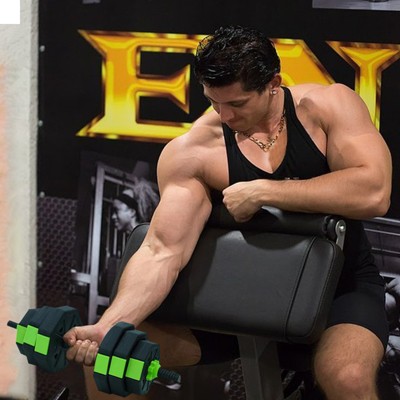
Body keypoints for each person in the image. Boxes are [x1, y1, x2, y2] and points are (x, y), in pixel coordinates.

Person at [64, 25, 392, 399]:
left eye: (237, 104)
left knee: (348, 378)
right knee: (109, 358)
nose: (224, 115)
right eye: (213, 102)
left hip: (340, 291)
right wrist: (109, 325)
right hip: (239, 297)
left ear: (273, 84)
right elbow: (162, 251)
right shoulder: (195, 151)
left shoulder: (328, 107)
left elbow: (374, 192)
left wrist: (264, 191)